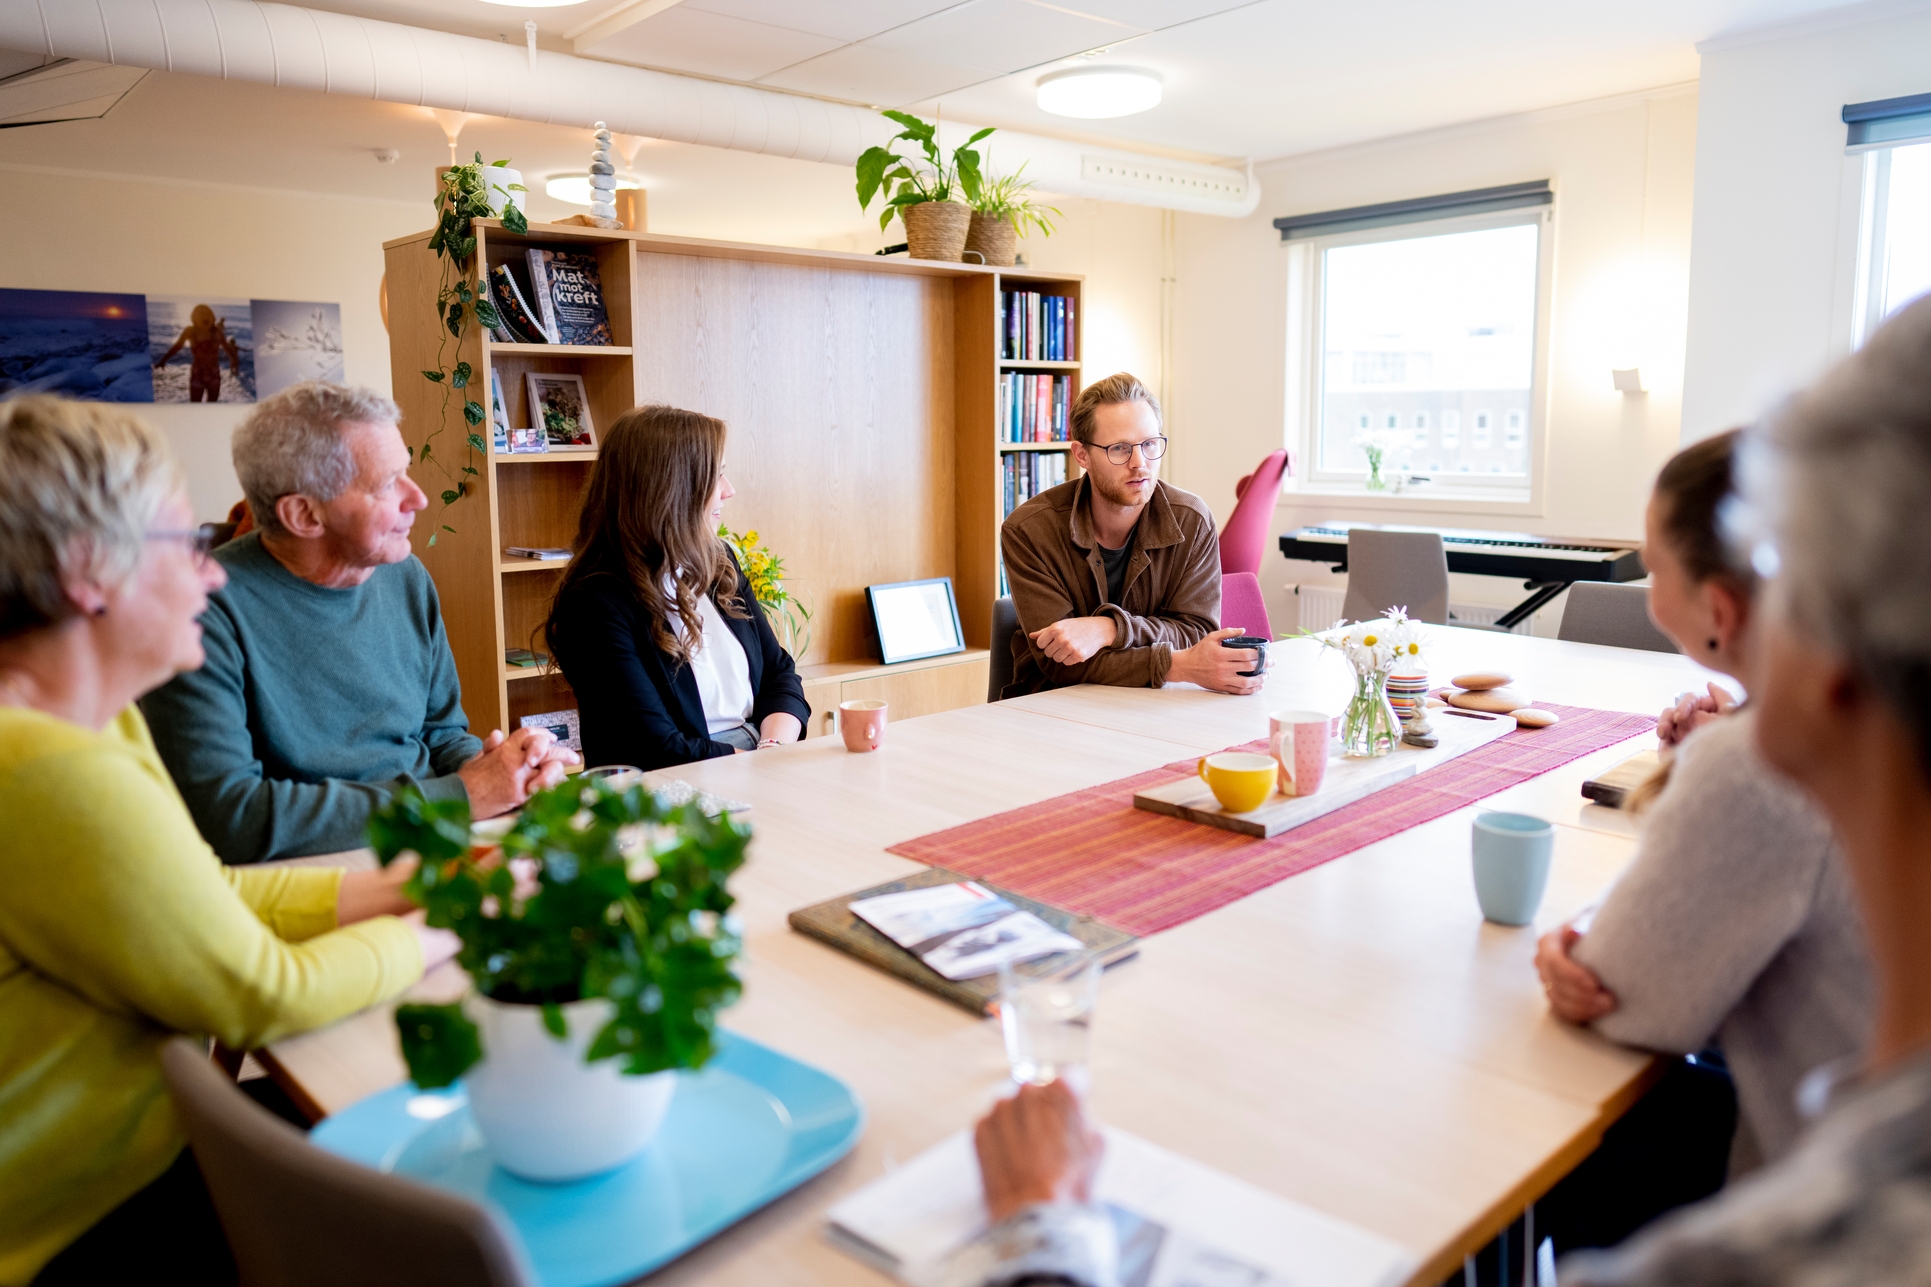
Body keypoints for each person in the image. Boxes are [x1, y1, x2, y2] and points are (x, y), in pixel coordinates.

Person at [0, 396, 453, 1285]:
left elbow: (202, 889)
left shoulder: (94, 724)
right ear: (91, 571)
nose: (213, 578)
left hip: (145, 1150)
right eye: (186, 546)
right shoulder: (45, 768)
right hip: (73, 1222)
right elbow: (263, 995)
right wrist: (449, 924)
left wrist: (393, 889)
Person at [1527, 430, 1875, 1252]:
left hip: (1816, 1197)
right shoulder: (1869, 706)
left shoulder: (1757, 765)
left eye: (1652, 569)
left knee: (1519, 1119)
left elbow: (1624, 995)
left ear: (1717, 606)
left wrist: (1568, 944)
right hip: (1880, 1139)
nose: (1648, 590)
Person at [139, 382, 576, 865]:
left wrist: (505, 770)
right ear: (303, 514)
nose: (419, 498)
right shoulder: (199, 615)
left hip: (427, 839)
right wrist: (461, 797)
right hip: (309, 870)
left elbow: (441, 732)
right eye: (388, 484)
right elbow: (232, 818)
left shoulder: (405, 576)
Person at [544, 405, 808, 770]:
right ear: (671, 488)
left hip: (761, 751)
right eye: (715, 477)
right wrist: (756, 767)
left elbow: (780, 674)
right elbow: (654, 747)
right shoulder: (595, 602)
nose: (729, 491)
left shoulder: (719, 561)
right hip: (678, 783)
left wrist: (774, 748)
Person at [999, 372, 1263, 698]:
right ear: (1082, 455)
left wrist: (1109, 628)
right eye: (1120, 449)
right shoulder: (1028, 531)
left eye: (1150, 444)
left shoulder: (1192, 520)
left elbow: (1196, 632)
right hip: (1053, 709)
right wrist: (1177, 665)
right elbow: (1060, 661)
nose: (1140, 463)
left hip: (1155, 703)